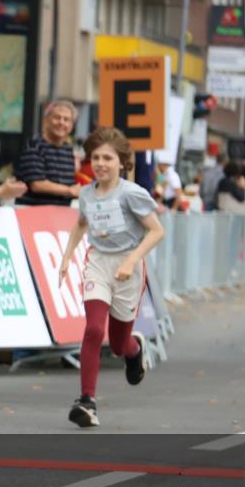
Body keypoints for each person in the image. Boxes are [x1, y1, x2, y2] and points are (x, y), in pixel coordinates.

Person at [58, 127, 165, 428]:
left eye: (108, 158)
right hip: (98, 263)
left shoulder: (132, 193)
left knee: (118, 346)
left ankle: (134, 349)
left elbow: (157, 231)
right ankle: (87, 401)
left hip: (128, 265)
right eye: (96, 158)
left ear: (121, 162)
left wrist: (131, 261)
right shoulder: (86, 193)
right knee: (93, 329)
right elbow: (81, 224)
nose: (101, 164)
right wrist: (67, 257)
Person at [16, 100, 81, 206]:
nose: (61, 122)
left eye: (66, 119)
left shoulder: (68, 150)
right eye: (57, 117)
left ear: (71, 126)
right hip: (34, 211)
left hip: (62, 212)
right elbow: (37, 185)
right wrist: (69, 190)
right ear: (46, 120)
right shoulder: (34, 145)